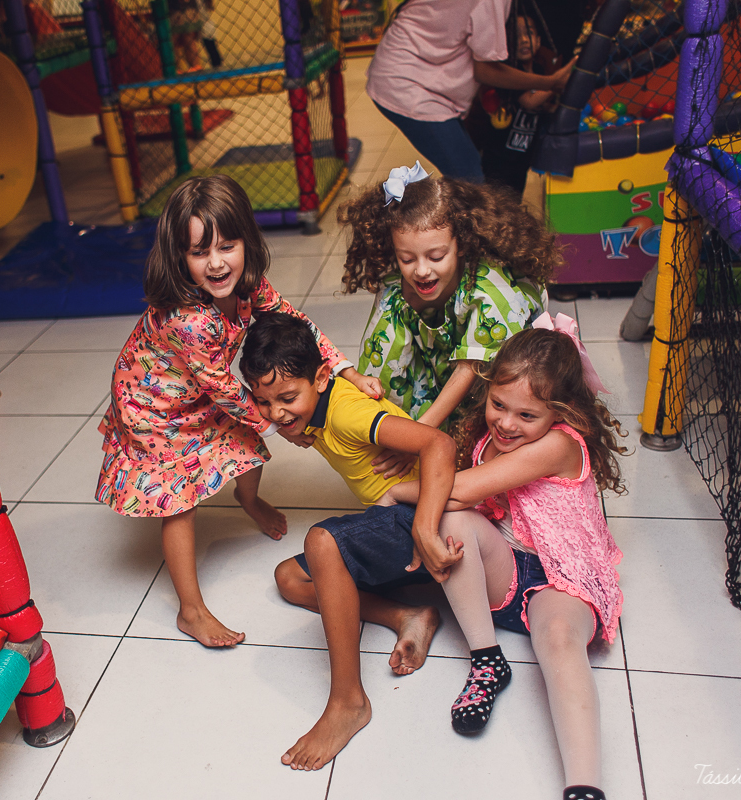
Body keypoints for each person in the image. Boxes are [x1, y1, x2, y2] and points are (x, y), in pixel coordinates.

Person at [95, 175, 379, 648]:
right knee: (179, 503)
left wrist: (346, 371)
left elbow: (296, 324)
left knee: (245, 443)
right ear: (179, 258)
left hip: (199, 388)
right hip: (155, 407)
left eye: (227, 245)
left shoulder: (249, 285)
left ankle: (247, 499)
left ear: (247, 240)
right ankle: (191, 611)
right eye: (199, 252)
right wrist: (278, 425)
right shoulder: (188, 321)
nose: (217, 262)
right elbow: (226, 390)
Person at [380, 317, 628, 800]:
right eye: (498, 404)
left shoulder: (558, 444)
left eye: (526, 416)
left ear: (561, 414)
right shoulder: (490, 438)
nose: (506, 423)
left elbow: (463, 488)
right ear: (488, 390)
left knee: (558, 640)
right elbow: (460, 503)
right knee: (451, 523)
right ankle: (487, 659)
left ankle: (584, 786)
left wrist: (398, 491)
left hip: (563, 580)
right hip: (506, 572)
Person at [238, 312, 461, 771]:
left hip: (428, 518)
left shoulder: (350, 412)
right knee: (291, 579)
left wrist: (423, 528)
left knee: (323, 543)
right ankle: (410, 615)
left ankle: (348, 702)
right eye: (263, 402)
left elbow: (440, 445)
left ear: (321, 378)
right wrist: (301, 425)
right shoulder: (314, 409)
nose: (276, 414)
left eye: (286, 398)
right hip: (396, 513)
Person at [339, 167, 557, 448]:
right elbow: (381, 363)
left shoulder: (490, 289)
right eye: (406, 258)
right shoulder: (396, 293)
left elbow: (471, 368)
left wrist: (419, 438)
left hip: (492, 365)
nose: (421, 270)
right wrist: (388, 431)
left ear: (462, 244)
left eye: (436, 256)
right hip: (443, 360)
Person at [364, 0, 574, 180]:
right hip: (408, 84)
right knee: (469, 180)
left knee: (468, 173)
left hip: (416, 79)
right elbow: (485, 71)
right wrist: (549, 82)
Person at [467, 13, 558, 194]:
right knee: (496, 197)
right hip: (499, 155)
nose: (523, 40)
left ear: (538, 41)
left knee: (516, 194)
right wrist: (555, 84)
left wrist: (551, 107)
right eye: (516, 36)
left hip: (522, 153)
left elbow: (538, 107)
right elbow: (529, 102)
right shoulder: (512, 75)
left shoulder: (539, 72)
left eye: (529, 34)